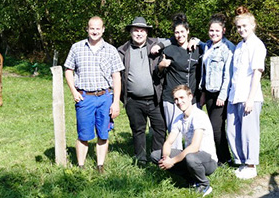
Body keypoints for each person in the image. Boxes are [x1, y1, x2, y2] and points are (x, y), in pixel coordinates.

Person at [64, 16, 124, 173]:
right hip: (85, 97)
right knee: (83, 134)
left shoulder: (111, 50)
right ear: (87, 29)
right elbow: (68, 70)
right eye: (92, 28)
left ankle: (100, 165)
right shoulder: (77, 48)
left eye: (98, 28)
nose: (95, 31)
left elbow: (117, 77)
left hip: (105, 97)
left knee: (103, 134)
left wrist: (115, 102)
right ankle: (81, 166)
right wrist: (73, 91)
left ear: (103, 29)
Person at [117, 16, 169, 165]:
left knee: (160, 128)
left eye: (142, 30)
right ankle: (141, 158)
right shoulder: (122, 50)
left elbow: (174, 38)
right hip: (133, 99)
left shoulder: (155, 45)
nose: (139, 33)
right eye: (135, 30)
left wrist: (160, 44)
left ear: (147, 32)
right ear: (131, 32)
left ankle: (156, 157)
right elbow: (117, 76)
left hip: (155, 99)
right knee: (138, 130)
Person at [150, 85, 217, 197]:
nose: (179, 101)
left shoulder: (198, 115)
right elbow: (168, 142)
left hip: (207, 160)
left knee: (190, 157)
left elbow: (195, 147)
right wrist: (166, 158)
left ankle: (204, 184)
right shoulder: (179, 118)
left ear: (190, 97)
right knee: (156, 155)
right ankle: (191, 179)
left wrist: (173, 161)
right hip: (190, 157)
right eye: (176, 99)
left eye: (182, 97)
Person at [227, 6, 266, 179]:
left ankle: (251, 165)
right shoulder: (239, 46)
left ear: (253, 25)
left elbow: (257, 73)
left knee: (249, 131)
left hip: (250, 96)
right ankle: (242, 161)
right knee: (233, 131)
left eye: (245, 26)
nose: (242, 29)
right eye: (239, 27)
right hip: (235, 95)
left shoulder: (257, 45)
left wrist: (250, 99)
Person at [158, 13, 202, 149]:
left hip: (192, 97)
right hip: (172, 98)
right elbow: (158, 74)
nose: (180, 35)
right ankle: (175, 160)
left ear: (188, 32)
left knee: (194, 129)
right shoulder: (168, 50)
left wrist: (197, 40)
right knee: (174, 131)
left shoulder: (197, 49)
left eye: (182, 31)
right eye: (176, 32)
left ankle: (192, 156)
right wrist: (161, 66)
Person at [199, 13, 235, 165]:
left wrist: (222, 95)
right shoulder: (207, 45)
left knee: (216, 128)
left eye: (217, 31)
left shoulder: (228, 48)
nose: (213, 33)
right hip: (208, 92)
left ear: (223, 31)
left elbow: (228, 74)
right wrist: (202, 92)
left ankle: (225, 158)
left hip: (220, 94)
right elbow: (205, 71)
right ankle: (219, 156)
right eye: (211, 31)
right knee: (213, 127)